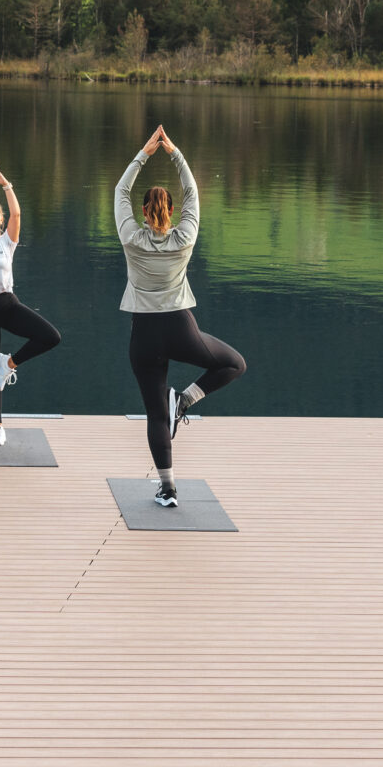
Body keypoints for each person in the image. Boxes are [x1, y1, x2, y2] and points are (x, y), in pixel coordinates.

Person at [113, 124, 245, 507]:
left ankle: (167, 488)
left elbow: (121, 190)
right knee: (233, 364)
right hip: (180, 328)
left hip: (143, 336)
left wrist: (145, 153)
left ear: (142, 211)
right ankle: (185, 400)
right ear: (172, 211)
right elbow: (193, 193)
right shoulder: (184, 237)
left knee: (155, 413)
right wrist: (175, 153)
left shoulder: (131, 238)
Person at [0, 162, 61, 445]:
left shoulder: (8, 242)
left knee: (50, 337)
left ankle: (10, 363)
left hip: (7, 305)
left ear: (0, 221)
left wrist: (7, 186)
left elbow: (17, 211)